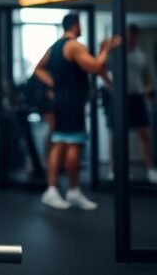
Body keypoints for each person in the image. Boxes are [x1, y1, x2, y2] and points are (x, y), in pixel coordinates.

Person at [34, 13, 119, 210]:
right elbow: (97, 66)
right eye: (79, 24)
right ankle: (70, 190)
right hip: (71, 102)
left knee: (59, 142)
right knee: (73, 144)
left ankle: (55, 190)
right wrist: (105, 49)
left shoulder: (55, 47)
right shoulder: (73, 46)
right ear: (75, 25)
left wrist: (56, 86)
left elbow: (38, 69)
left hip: (62, 101)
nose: (81, 28)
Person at [101, 23, 156, 183]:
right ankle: (113, 169)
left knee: (145, 134)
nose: (131, 38)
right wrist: (112, 86)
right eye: (129, 35)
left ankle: (151, 170)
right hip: (118, 98)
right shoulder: (115, 53)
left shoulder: (140, 54)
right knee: (117, 135)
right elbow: (101, 69)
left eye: (133, 35)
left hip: (136, 97)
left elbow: (146, 75)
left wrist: (148, 86)